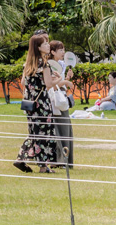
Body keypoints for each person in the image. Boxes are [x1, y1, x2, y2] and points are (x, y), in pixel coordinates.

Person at [14, 34, 59, 173]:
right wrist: (58, 79)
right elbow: (48, 84)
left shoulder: (28, 63)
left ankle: (21, 158)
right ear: (38, 47)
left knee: (34, 133)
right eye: (45, 44)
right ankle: (43, 166)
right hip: (42, 103)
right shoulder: (44, 63)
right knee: (45, 133)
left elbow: (23, 82)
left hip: (30, 103)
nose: (48, 45)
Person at [47, 37, 75, 167]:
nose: (63, 52)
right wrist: (65, 82)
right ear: (52, 52)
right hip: (54, 99)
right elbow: (52, 84)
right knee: (58, 128)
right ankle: (58, 160)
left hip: (61, 98)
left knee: (65, 128)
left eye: (63, 49)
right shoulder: (49, 65)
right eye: (60, 50)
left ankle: (65, 159)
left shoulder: (62, 64)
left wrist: (67, 77)